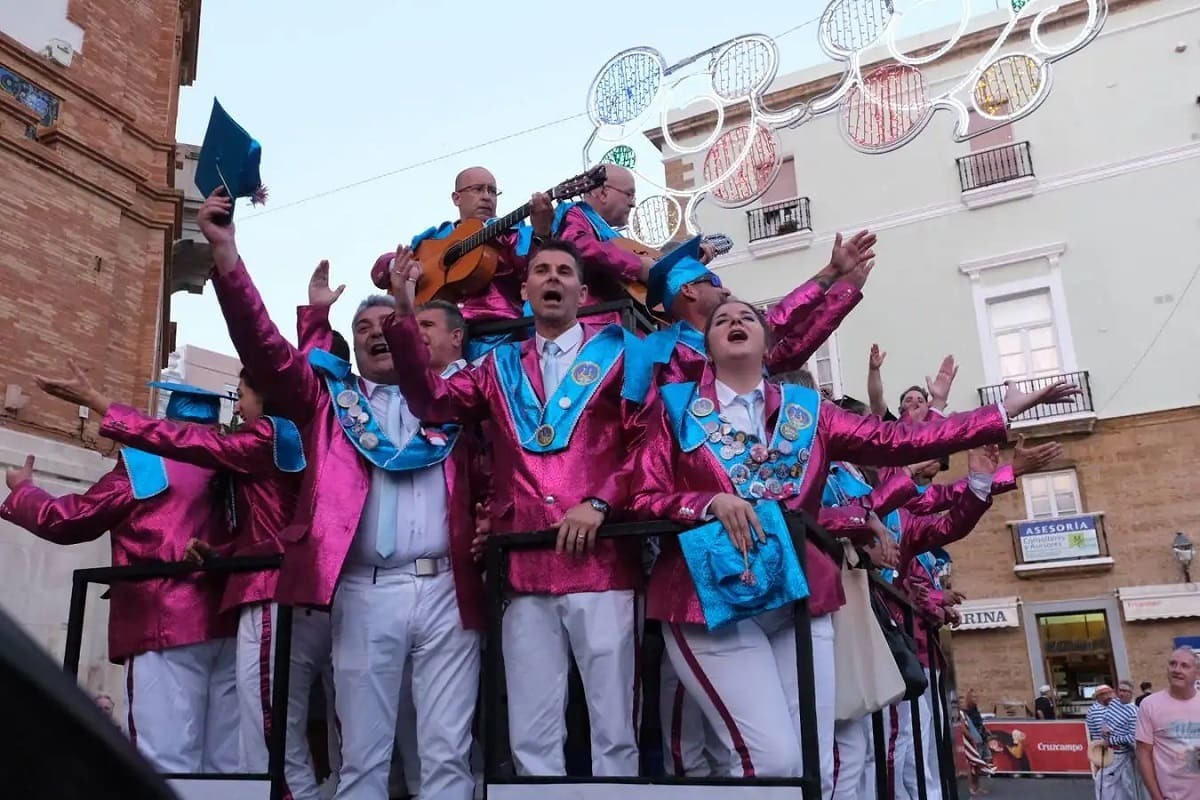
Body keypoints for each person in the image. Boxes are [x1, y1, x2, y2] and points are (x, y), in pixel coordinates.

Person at [622, 298, 1076, 785]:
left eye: (748, 317)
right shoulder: (673, 407)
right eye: (723, 319)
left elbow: (898, 442)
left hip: (802, 597)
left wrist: (998, 414)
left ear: (769, 344)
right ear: (707, 344)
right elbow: (640, 495)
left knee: (813, 763)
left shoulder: (810, 411)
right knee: (770, 760)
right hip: (708, 599)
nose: (735, 322)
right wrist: (707, 503)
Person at [199, 187, 485, 800]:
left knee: (445, 759)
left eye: (390, 324)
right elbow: (266, 352)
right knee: (362, 761)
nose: (378, 333)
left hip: (446, 591)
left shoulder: (456, 399)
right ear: (352, 344)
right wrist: (226, 253)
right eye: (364, 327)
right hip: (363, 590)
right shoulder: (328, 403)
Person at [383, 238, 654, 778]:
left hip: (602, 564)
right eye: (540, 271)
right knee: (531, 735)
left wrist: (600, 503)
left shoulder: (625, 351)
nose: (552, 278)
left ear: (581, 289)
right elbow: (432, 400)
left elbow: (650, 445)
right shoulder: (496, 365)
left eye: (563, 271)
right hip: (524, 568)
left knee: (615, 732)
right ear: (525, 290)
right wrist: (405, 313)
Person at [1, 382, 237, 774]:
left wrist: (24, 491)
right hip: (229, 623)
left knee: (164, 755)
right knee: (227, 762)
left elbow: (72, 520)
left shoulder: (148, 459)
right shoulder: (233, 461)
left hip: (161, 618)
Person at [636, 232, 874, 392]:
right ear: (688, 290)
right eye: (713, 281)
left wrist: (844, 291)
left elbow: (794, 347)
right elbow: (776, 321)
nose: (725, 290)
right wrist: (832, 272)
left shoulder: (727, 344)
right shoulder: (665, 353)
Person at [1135, 647, 1200, 800]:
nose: (1177, 669)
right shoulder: (1150, 705)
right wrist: (1157, 797)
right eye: (1173, 664)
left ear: (1197, 673)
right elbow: (1143, 754)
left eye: (1185, 666)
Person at [1100, 680, 1139, 800]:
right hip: (1109, 749)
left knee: (1104, 781)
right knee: (1120, 783)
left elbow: (1132, 736)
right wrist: (1105, 729)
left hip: (1121, 752)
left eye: (1125, 691)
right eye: (1119, 690)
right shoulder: (1114, 703)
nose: (1121, 693)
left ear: (1131, 693)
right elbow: (1106, 718)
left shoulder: (1134, 712)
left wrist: (1111, 740)